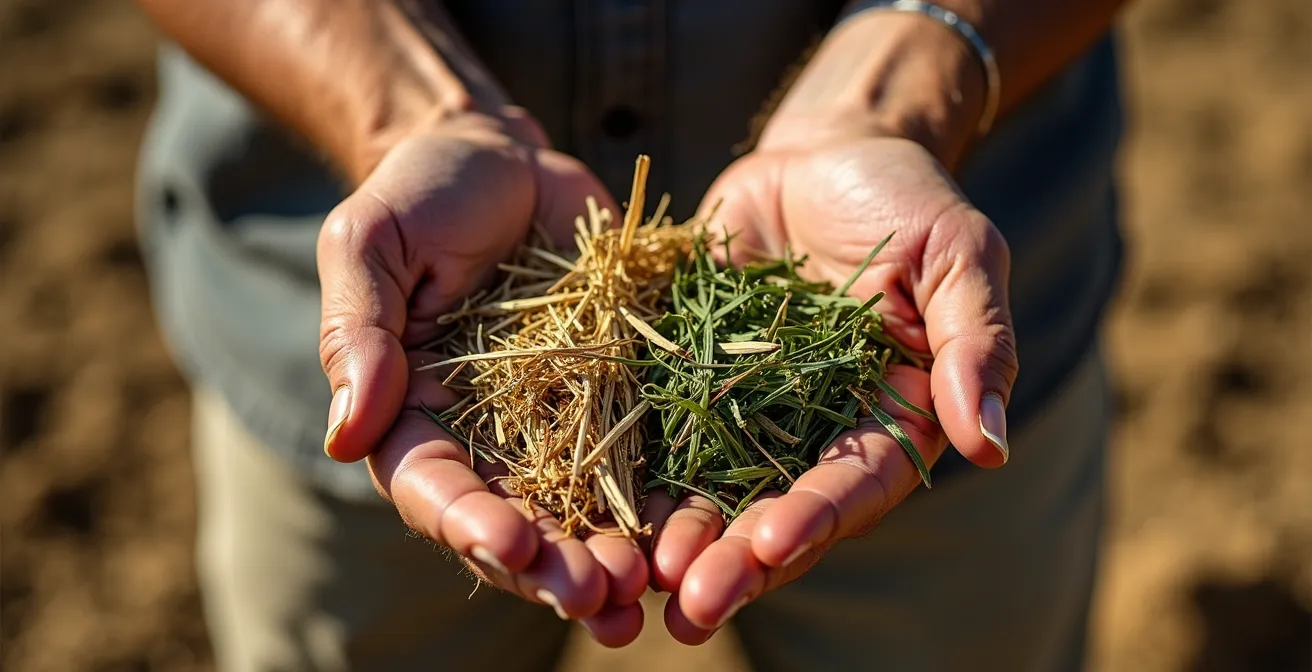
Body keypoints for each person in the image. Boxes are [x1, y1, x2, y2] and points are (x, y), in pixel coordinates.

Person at [134, 0, 1128, 669]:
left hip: (915, 330)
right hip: (384, 317)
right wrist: (400, 111)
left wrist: (902, 87)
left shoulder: (845, 337)